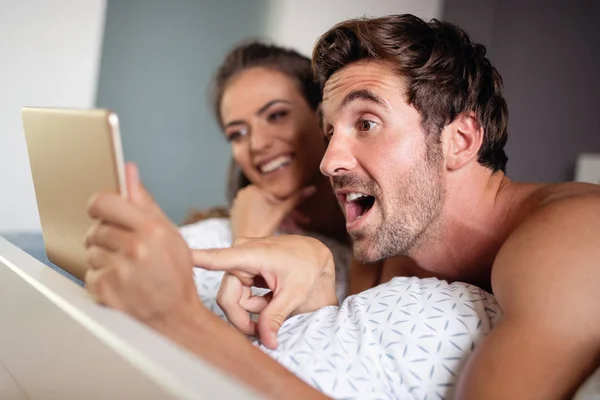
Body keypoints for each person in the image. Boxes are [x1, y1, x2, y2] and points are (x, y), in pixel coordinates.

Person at [83, 14, 600, 399]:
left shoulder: (573, 237)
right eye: (329, 131)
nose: (329, 160)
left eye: (366, 123)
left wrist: (177, 319)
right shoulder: (393, 248)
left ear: (460, 140)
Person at [175, 42, 352, 315]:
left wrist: (248, 241)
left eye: (277, 115)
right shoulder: (208, 235)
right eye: (238, 133)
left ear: (324, 116)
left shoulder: (378, 243)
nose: (257, 144)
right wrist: (248, 239)